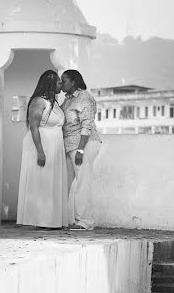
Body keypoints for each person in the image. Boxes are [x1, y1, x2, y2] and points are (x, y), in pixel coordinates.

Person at [16, 69, 68, 228]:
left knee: (51, 182)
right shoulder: (39, 102)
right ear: (51, 84)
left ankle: (52, 219)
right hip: (41, 145)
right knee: (41, 182)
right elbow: (34, 127)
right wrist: (40, 151)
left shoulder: (55, 103)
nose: (61, 84)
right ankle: (40, 219)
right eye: (59, 82)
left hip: (55, 147)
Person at [60, 69, 101, 230]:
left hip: (83, 144)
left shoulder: (85, 97)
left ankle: (85, 222)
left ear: (74, 82)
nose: (62, 84)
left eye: (64, 81)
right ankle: (63, 219)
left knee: (82, 183)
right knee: (64, 183)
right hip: (69, 145)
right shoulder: (67, 99)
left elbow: (87, 125)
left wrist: (81, 150)